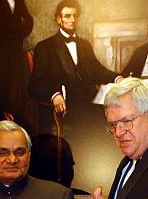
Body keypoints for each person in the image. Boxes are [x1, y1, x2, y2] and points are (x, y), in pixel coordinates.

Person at [28, 0, 119, 133]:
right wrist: (54, 95)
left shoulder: (84, 45)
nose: (72, 20)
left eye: (74, 16)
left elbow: (98, 71)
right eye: (67, 16)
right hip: (65, 109)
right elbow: (35, 84)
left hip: (90, 104)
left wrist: (118, 78)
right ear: (59, 19)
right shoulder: (45, 47)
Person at [0, 0, 34, 123]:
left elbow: (29, 21)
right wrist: (15, 27)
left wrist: (16, 31)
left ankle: (14, 128)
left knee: (15, 92)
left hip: (14, 54)